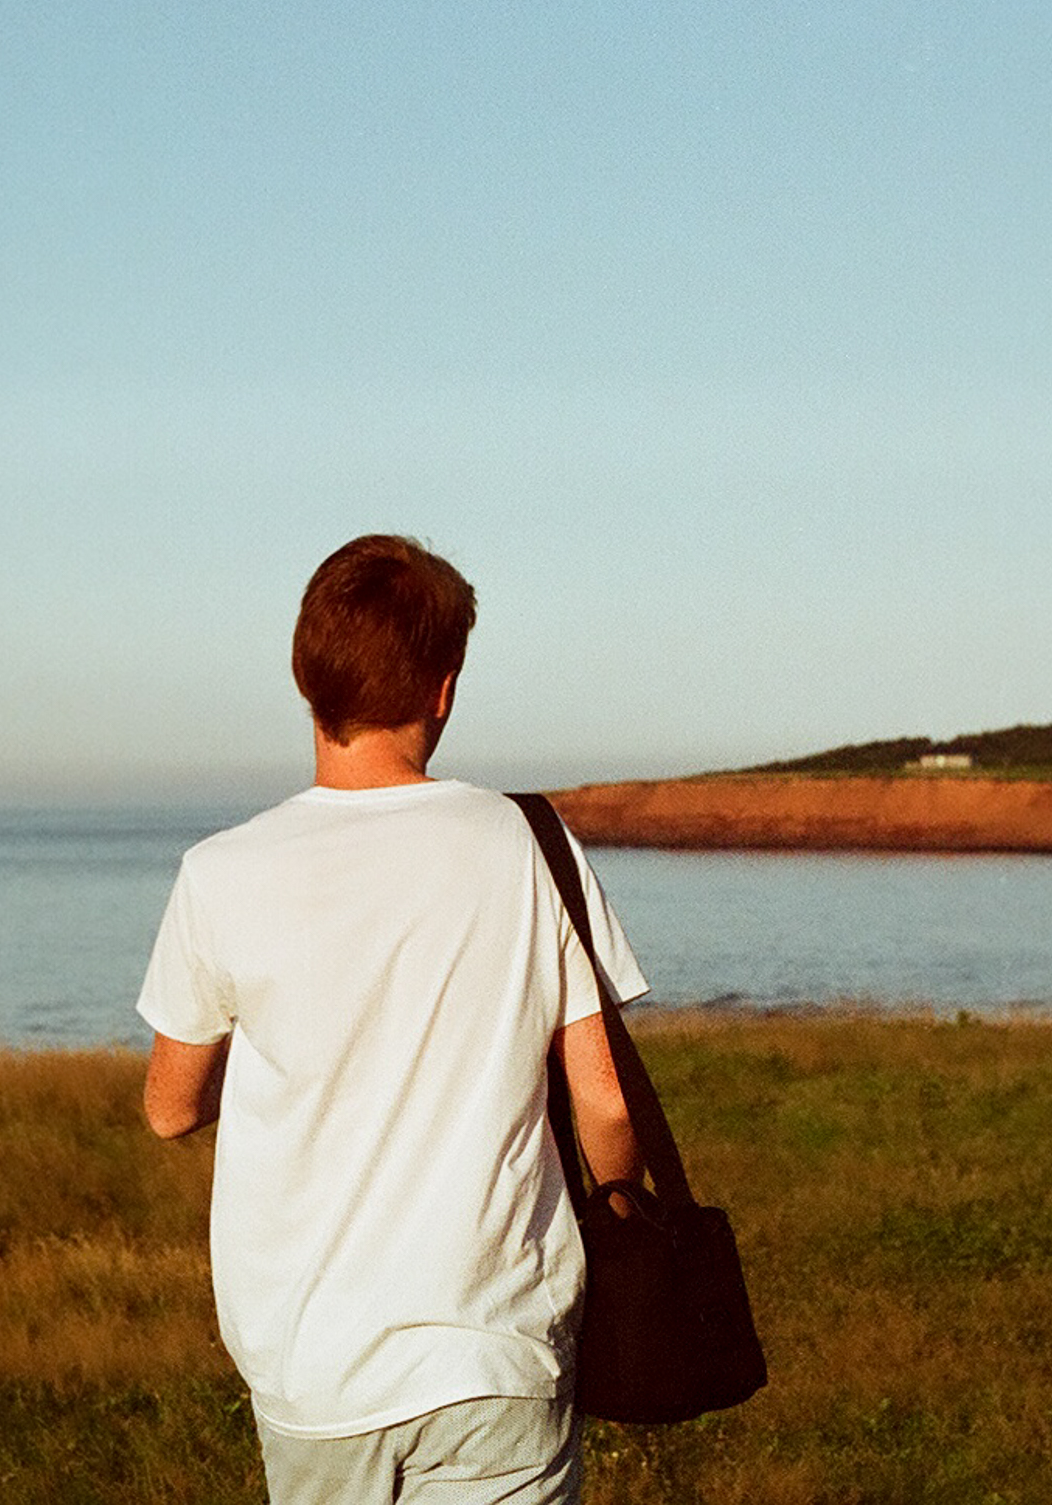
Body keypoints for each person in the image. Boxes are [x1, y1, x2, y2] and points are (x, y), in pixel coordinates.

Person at [137, 533, 652, 1505]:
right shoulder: (526, 842)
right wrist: (619, 1207)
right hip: (496, 1351)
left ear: (306, 679)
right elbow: (609, 1104)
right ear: (443, 687)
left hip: (314, 1367)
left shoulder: (220, 872)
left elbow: (170, 1108)